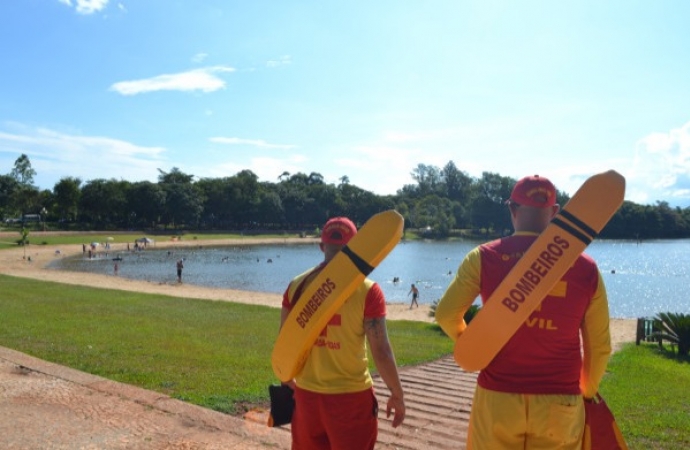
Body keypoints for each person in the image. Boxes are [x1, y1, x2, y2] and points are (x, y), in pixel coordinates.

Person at [435, 175, 611, 450]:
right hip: (560, 400)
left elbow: (446, 315)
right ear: (555, 213)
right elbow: (599, 346)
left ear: (512, 210)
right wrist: (586, 392)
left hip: (498, 398)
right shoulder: (587, 268)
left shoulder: (484, 256)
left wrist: (474, 346)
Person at [279, 216, 406, 449]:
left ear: (321, 246)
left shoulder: (296, 286)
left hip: (307, 398)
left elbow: (285, 344)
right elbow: (382, 351)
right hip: (351, 399)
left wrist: (288, 379)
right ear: (356, 246)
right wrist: (397, 395)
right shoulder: (368, 290)